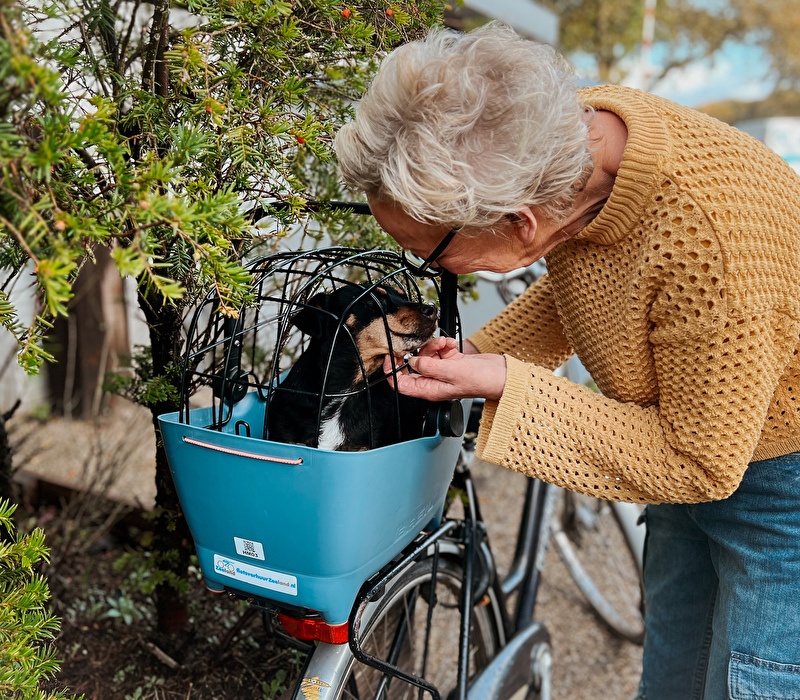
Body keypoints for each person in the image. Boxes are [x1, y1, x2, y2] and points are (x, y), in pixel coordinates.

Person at [333, 20, 800, 700]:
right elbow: (594, 278)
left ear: (521, 222)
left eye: (426, 252)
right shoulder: (567, 143)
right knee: (672, 682)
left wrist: (505, 383)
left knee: (752, 685)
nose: (420, 268)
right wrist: (474, 357)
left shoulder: (709, 245)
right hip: (693, 437)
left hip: (779, 480)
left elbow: (698, 461)